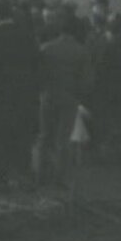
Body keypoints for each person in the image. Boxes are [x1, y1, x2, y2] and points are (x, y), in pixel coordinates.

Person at [35, 14, 93, 188]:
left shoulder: (46, 48)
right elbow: (86, 81)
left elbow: (38, 75)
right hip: (69, 98)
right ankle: (61, 179)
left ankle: (41, 175)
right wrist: (79, 94)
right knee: (63, 139)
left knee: (44, 136)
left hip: (48, 96)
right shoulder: (81, 51)